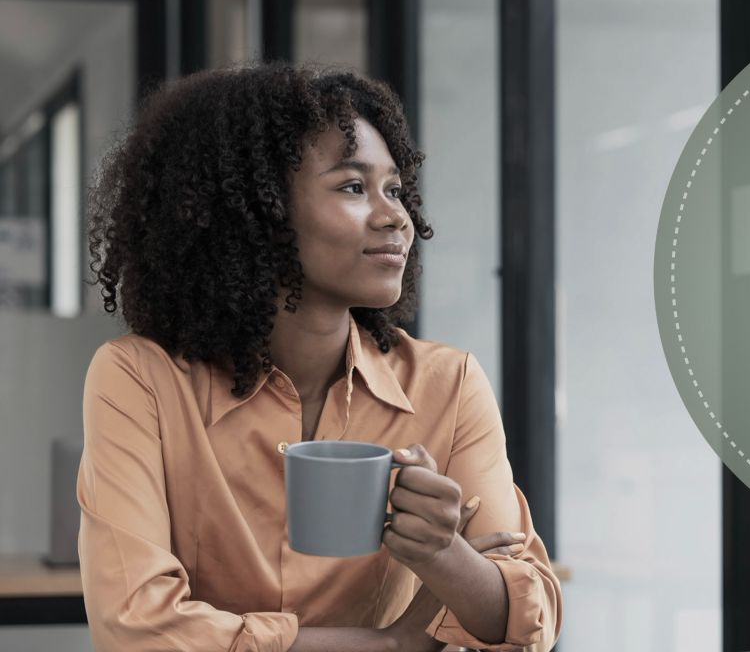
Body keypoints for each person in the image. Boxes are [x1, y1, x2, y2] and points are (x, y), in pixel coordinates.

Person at [78, 63, 562, 652]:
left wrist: (444, 553)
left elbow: (528, 619)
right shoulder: (141, 380)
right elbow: (136, 630)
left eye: (395, 190)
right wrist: (390, 645)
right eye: (353, 187)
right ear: (256, 209)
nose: (397, 218)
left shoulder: (448, 384)